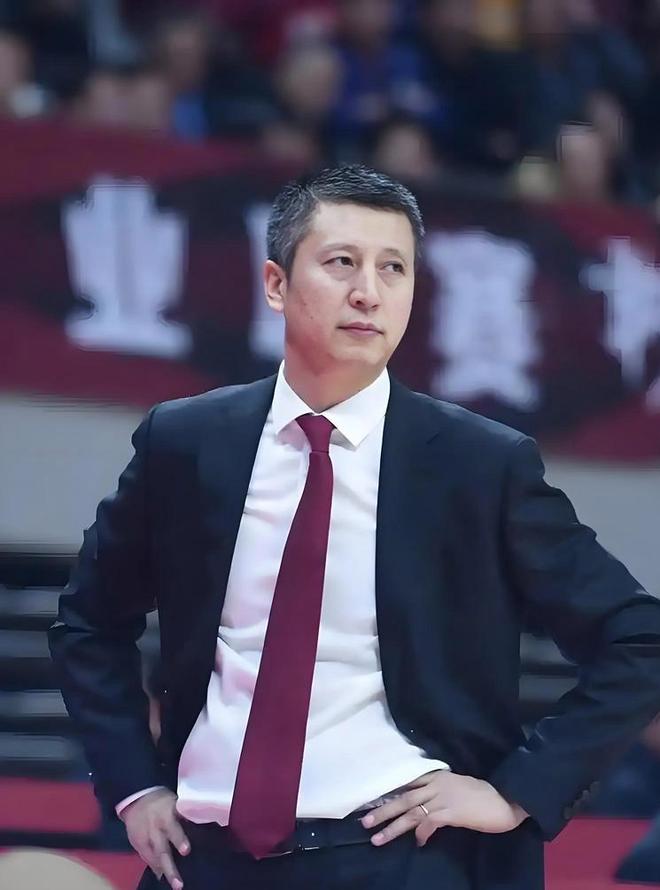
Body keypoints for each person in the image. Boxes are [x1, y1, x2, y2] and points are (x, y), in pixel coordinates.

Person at [49, 164, 660, 890]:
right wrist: (133, 785)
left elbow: (637, 639)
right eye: (342, 262)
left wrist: (518, 791)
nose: (369, 291)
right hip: (202, 857)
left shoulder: (478, 464)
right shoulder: (187, 442)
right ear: (276, 284)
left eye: (393, 268)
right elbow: (89, 622)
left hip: (400, 855)